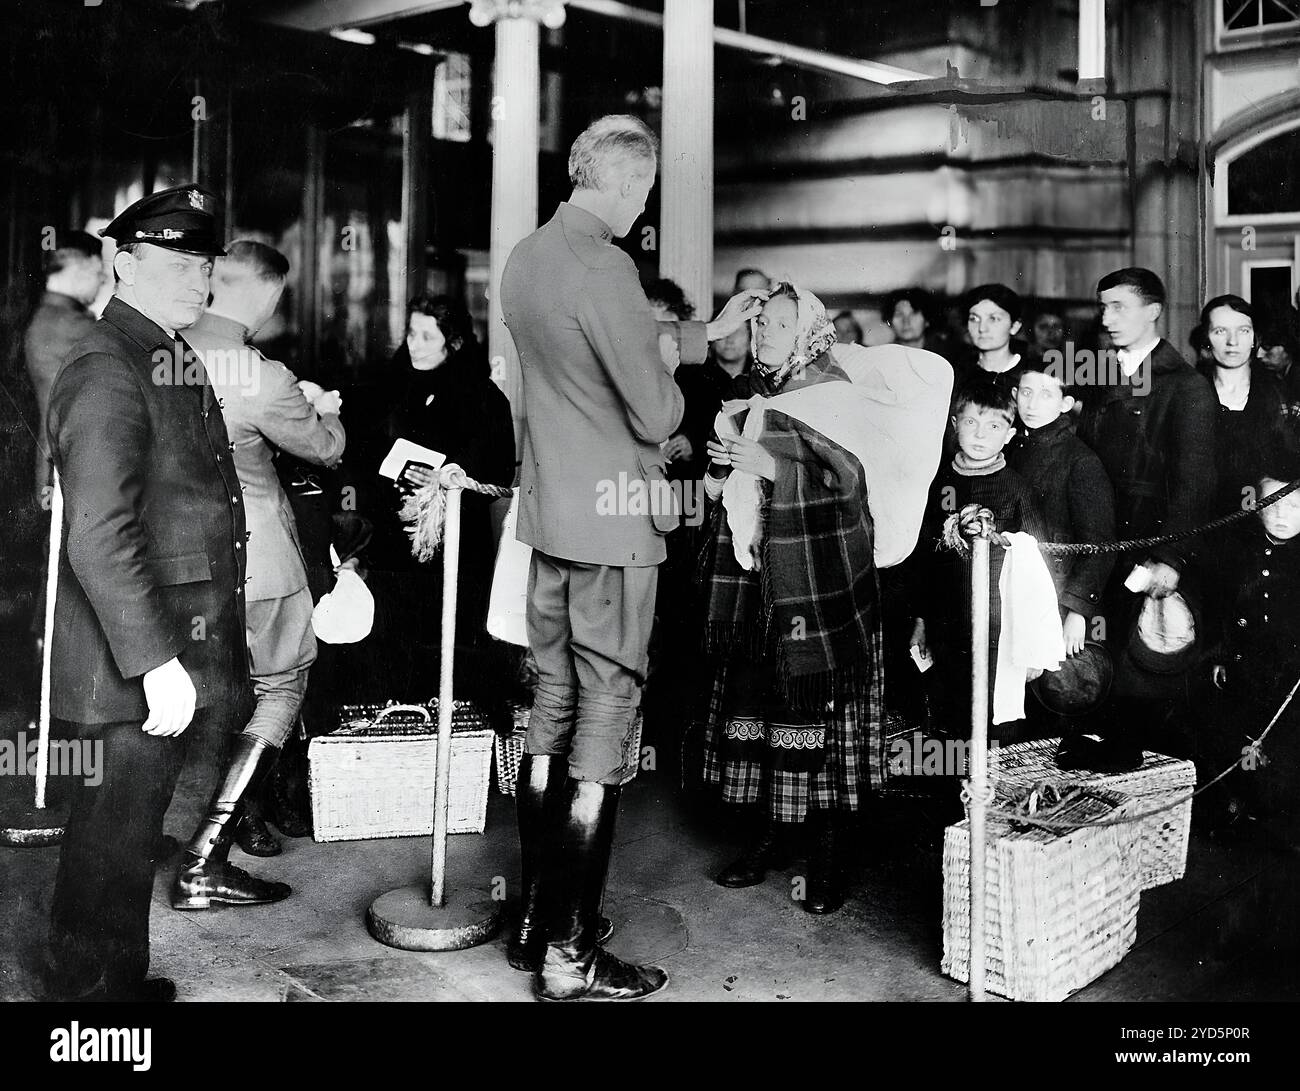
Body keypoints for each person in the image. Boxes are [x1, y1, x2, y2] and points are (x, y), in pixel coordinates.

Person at [500, 114, 763, 1001]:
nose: (643, 207)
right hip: (615, 525)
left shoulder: (529, 255)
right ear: (618, 183)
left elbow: (587, 343)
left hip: (549, 518)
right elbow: (653, 415)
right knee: (609, 715)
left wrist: (701, 331)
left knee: (551, 702)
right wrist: (696, 407)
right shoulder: (609, 265)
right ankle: (572, 957)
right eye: (644, 193)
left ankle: (536, 919)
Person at [42, 184, 248, 1002]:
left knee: (120, 826)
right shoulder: (108, 361)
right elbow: (98, 532)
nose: (197, 281)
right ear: (124, 263)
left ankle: (97, 978)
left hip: (152, 634)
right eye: (176, 262)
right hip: (131, 645)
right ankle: (96, 1001)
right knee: (116, 826)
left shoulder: (153, 344)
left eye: (204, 265)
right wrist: (157, 658)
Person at [698, 282, 889, 916]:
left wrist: (771, 467)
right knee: (762, 703)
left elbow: (852, 485)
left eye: (781, 324)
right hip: (763, 575)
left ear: (809, 330)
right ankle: (769, 838)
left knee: (819, 715)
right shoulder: (760, 398)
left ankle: (827, 861)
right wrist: (726, 465)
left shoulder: (835, 394)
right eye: (761, 325)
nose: (765, 334)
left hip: (817, 581)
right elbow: (732, 491)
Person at [172, 240, 345, 904]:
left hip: (178, 565)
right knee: (279, 689)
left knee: (202, 696)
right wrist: (324, 409)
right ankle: (204, 861)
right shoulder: (259, 374)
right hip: (258, 560)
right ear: (268, 294)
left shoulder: (159, 350)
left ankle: (189, 842)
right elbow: (325, 451)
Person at [1078, 267, 1218, 755]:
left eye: (1119, 306)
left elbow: (1194, 484)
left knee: (1145, 675)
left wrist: (1171, 558)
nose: (1107, 317)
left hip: (1148, 549)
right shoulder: (1100, 376)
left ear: (1154, 311)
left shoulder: (1187, 387)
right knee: (1097, 669)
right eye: (1103, 307)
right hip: (1100, 543)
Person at [911, 379, 1046, 740]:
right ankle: (957, 795)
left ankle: (996, 793)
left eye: (994, 426)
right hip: (946, 627)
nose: (980, 435)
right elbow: (925, 561)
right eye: (970, 422)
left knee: (996, 723)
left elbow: (1038, 571)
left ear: (1010, 434)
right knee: (948, 720)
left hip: (998, 632)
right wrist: (922, 621)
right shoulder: (939, 484)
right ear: (954, 425)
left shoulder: (1017, 489)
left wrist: (1033, 642)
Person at [1202, 459, 1300, 840]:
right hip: (1246, 666)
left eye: (1293, 507)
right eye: (1271, 504)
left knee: (1285, 745)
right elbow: (1224, 609)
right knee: (1241, 737)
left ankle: (1281, 820)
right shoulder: (1239, 551)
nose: (1280, 515)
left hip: (1290, 675)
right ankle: (1240, 810)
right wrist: (1220, 655)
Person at [1007, 357, 1116, 667]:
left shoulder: (1080, 461)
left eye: (1046, 394)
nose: (1032, 404)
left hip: (1056, 596)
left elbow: (1100, 545)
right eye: (1026, 392)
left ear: (1066, 403)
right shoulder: (1010, 449)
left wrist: (1078, 612)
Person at [1193, 294, 1297, 519]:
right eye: (1220, 331)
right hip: (1200, 524)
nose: (1233, 342)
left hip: (1263, 523)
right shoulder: (1187, 392)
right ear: (1207, 339)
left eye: (1243, 330)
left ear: (1254, 339)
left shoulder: (1281, 395)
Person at [953, 283, 1029, 396]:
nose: (982, 328)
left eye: (993, 319)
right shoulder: (957, 374)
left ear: (1014, 326)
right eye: (974, 319)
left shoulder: (1029, 375)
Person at [884, 287, 949, 357]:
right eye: (898, 314)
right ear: (890, 321)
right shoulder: (885, 356)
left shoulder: (946, 355)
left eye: (914, 314)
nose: (906, 322)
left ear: (926, 320)